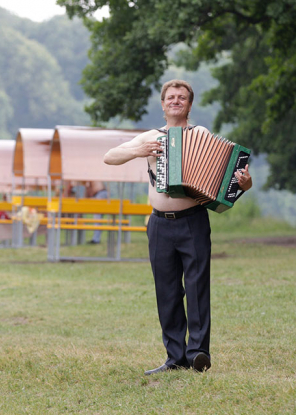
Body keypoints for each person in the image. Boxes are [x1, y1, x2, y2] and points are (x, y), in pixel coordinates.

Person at [103, 79, 253, 373]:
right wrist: (138, 150)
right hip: (159, 225)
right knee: (167, 291)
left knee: (197, 287)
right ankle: (174, 359)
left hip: (193, 221)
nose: (175, 101)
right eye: (170, 97)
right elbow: (109, 157)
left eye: (181, 97)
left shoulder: (201, 134)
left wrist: (244, 185)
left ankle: (198, 355)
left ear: (189, 104)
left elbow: (227, 180)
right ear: (162, 105)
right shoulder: (149, 138)